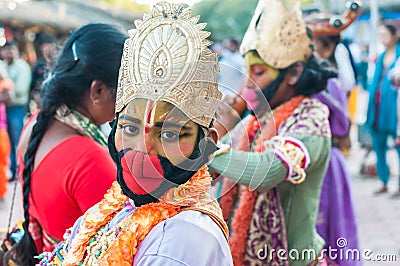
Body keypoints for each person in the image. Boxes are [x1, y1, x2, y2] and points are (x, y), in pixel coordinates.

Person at [37, 3, 232, 265]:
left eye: (171, 135)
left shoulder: (180, 239)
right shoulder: (118, 203)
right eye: (129, 128)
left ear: (206, 144)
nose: (142, 148)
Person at [209, 0, 336, 265]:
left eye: (258, 73)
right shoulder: (259, 119)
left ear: (294, 73)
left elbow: (265, 172)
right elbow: (215, 172)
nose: (248, 86)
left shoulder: (312, 118)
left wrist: (201, 149)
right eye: (246, 74)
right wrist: (222, 125)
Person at [0, 23, 126, 265]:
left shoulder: (38, 121)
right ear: (98, 90)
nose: (124, 106)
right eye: (123, 92)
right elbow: (122, 248)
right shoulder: (89, 159)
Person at [307, 5, 362, 263]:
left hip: (327, 161)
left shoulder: (328, 83)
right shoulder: (306, 80)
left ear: (328, 48)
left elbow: (341, 127)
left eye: (313, 44)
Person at [365, 21, 400, 196]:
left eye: (385, 35)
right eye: (380, 35)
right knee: (379, 145)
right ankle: (383, 180)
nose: (383, 39)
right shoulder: (380, 56)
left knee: (398, 145)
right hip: (378, 107)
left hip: (395, 109)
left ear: (395, 36)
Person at [0, 40, 32, 182]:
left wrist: (5, 89)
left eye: (12, 49)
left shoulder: (22, 67)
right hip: (4, 109)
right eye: (6, 50)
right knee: (7, 141)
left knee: (18, 139)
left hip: (17, 108)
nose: (9, 53)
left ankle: (22, 170)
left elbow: (19, 90)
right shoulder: (2, 66)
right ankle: (13, 170)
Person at [29, 33, 57, 114]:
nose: (47, 48)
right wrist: (36, 96)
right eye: (45, 46)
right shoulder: (38, 65)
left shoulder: (60, 64)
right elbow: (33, 84)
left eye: (50, 45)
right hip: (41, 102)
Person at [0, 65, 14, 199]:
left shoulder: (5, 85)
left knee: (2, 162)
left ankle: (1, 192)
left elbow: (9, 96)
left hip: (1, 130)